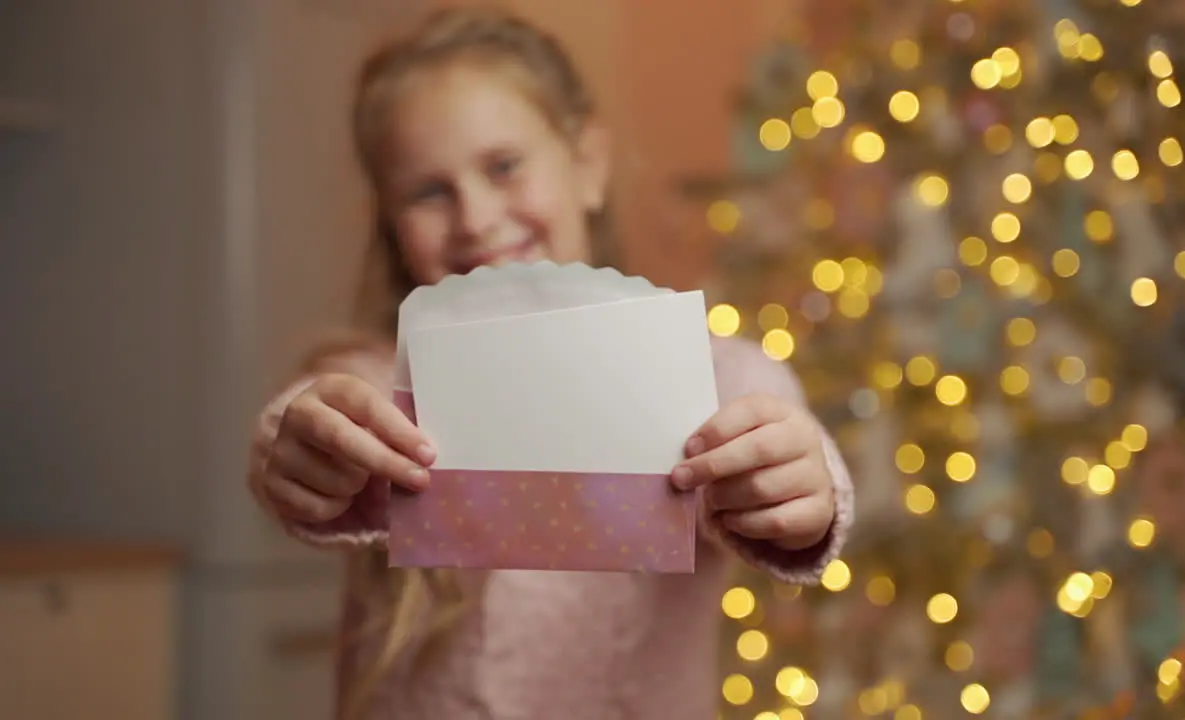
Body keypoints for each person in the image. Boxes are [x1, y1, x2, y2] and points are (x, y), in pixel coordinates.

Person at [246, 7, 854, 719]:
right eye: (429, 192)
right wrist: (299, 446)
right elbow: (318, 413)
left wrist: (806, 491)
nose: (473, 217)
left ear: (587, 164)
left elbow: (797, 459)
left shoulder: (714, 379)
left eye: (504, 166)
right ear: (391, 224)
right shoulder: (386, 379)